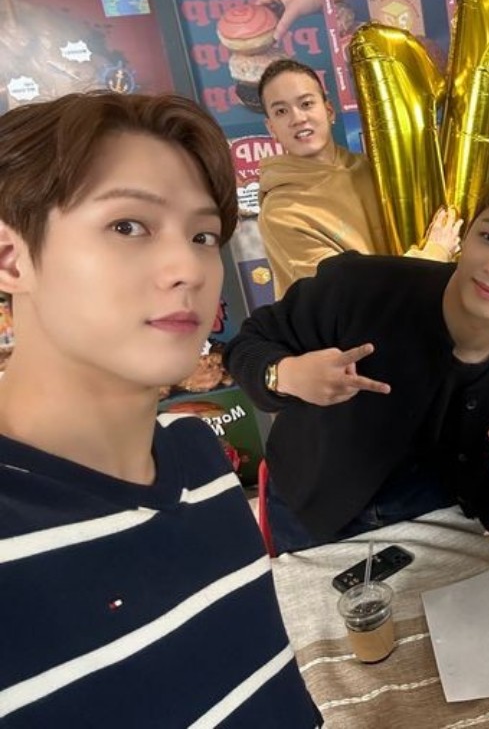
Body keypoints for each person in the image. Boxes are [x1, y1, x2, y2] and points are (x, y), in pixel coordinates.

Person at [0, 92, 320, 726]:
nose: (189, 269)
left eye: (203, 236)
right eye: (128, 226)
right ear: (11, 257)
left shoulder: (195, 454)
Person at [223, 163, 489, 553]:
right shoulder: (359, 286)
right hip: (311, 516)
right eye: (488, 237)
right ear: (467, 233)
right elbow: (247, 346)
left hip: (439, 530)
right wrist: (288, 375)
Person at [256, 58, 461, 299]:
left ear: (329, 110)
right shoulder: (280, 213)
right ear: (271, 128)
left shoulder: (372, 169)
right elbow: (345, 296)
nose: (298, 118)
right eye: (281, 111)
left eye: (306, 104)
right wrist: (434, 253)